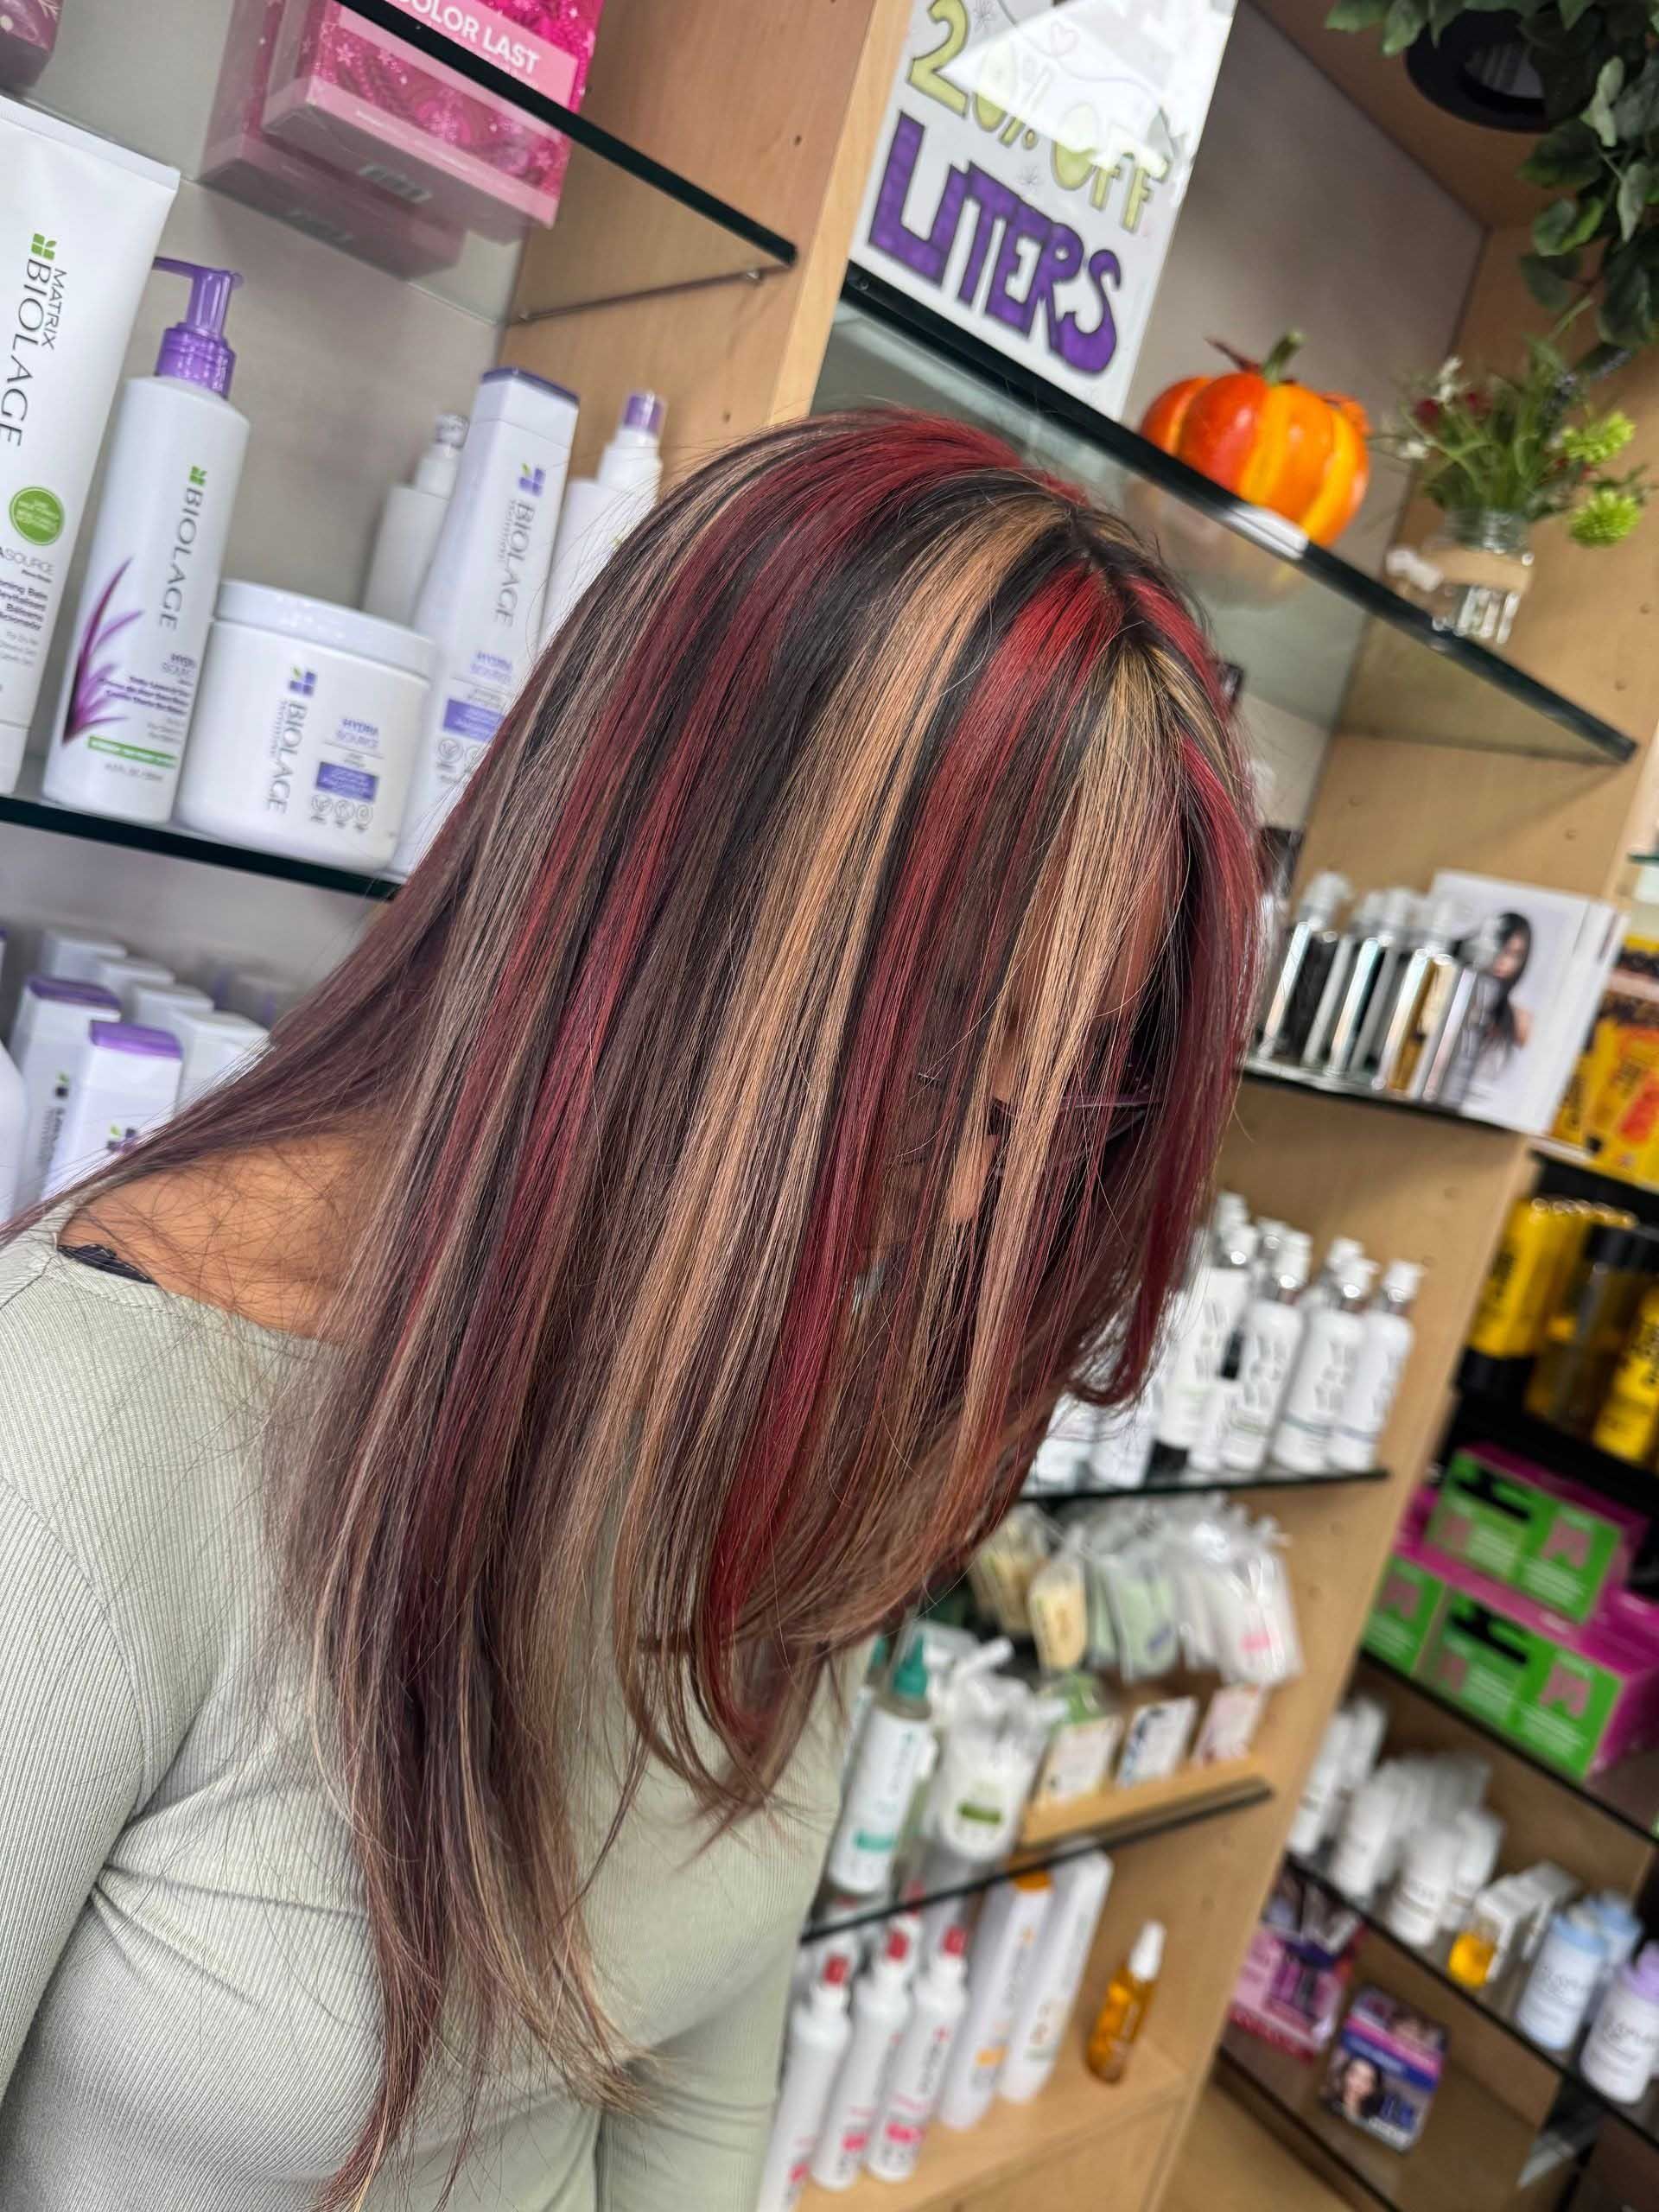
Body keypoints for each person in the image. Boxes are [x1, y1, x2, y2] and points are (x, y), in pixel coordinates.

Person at [0, 411, 1261, 2208]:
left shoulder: (790, 1399)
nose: (969, 1201)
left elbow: (695, 2092)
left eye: (1049, 1097)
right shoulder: (74, 1431)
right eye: (941, 1049)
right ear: (656, 920)